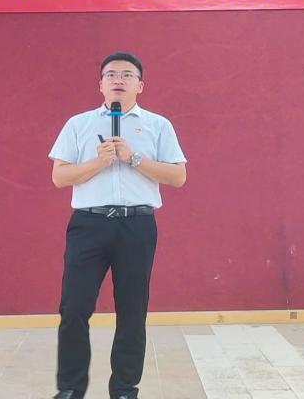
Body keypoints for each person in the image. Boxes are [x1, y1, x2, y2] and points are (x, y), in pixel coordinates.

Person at [49, 51, 187, 399]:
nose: (118, 80)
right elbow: (60, 177)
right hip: (88, 225)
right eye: (111, 74)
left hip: (136, 226)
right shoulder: (78, 124)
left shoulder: (158, 125)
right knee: (74, 308)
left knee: (132, 310)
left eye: (127, 75)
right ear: (100, 84)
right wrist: (99, 162)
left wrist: (134, 158)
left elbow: (178, 176)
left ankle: (125, 389)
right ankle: (70, 388)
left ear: (140, 85)